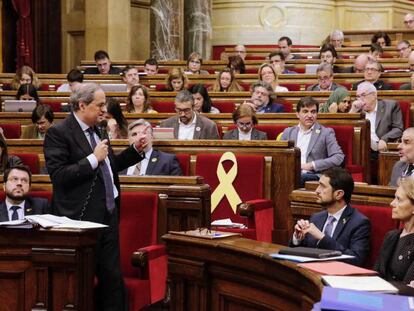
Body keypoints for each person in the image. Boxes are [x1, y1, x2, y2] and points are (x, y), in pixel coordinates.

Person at [44, 83, 148, 311]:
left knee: (112, 280)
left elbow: (109, 166)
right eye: (99, 105)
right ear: (82, 105)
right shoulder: (58, 133)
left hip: (108, 216)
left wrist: (134, 151)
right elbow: (59, 176)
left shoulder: (98, 130)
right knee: (79, 284)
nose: (104, 110)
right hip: (79, 222)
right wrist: (93, 159)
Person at [290, 167, 370, 267]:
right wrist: (297, 239)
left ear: (339, 194)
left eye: (323, 187)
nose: (317, 191)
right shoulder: (316, 218)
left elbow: (356, 259)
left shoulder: (359, 223)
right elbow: (301, 253)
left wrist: (323, 238)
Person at [281, 96, 345, 186]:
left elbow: (338, 157)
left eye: (313, 112)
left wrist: (312, 165)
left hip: (313, 175)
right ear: (297, 114)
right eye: (305, 111)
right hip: (290, 172)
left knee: (297, 178)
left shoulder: (326, 132)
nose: (310, 115)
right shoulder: (288, 132)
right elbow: (279, 156)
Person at [375, 177, 414, 287]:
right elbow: (376, 274)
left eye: (399, 199)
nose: (392, 203)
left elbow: (407, 287)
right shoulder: (391, 236)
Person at [350, 82, 403, 152]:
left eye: (363, 95)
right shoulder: (356, 109)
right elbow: (347, 129)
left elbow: (398, 129)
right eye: (358, 96)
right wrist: (353, 111)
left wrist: (384, 139)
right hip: (359, 146)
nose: (360, 100)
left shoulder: (390, 106)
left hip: (378, 146)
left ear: (374, 95)